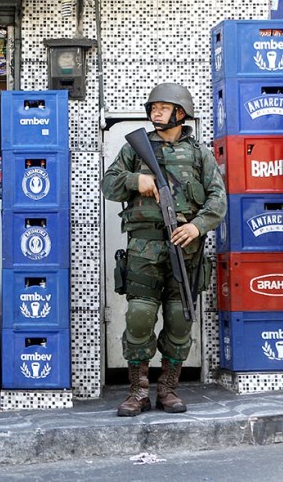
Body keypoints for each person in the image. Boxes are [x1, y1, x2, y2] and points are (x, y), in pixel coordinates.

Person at [101, 83, 227, 417]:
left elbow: (218, 198)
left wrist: (196, 226)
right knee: (139, 316)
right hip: (143, 248)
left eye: (162, 107)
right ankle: (138, 391)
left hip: (185, 250)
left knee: (179, 318)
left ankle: (167, 389)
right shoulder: (135, 150)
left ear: (180, 113)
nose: (155, 112)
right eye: (153, 107)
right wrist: (135, 181)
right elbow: (108, 184)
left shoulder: (199, 152)